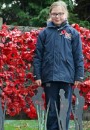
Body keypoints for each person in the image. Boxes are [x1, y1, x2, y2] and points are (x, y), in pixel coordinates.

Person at [33, 1, 84, 130]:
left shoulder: (73, 34)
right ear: (50, 14)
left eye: (60, 14)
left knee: (64, 111)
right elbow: (38, 56)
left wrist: (78, 76)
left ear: (65, 14)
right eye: (55, 14)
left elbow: (78, 56)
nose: (57, 16)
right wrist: (37, 75)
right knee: (52, 111)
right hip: (49, 78)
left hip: (67, 78)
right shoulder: (44, 34)